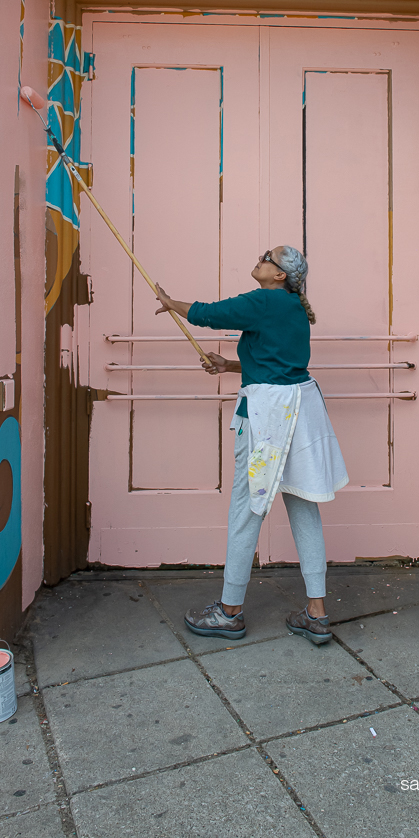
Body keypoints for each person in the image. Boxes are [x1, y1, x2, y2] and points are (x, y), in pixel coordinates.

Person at [154, 246, 348, 645]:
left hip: (266, 418)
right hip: (301, 413)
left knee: (246, 508)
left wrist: (169, 302)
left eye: (268, 258)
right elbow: (279, 360)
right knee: (303, 506)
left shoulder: (264, 300)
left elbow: (212, 313)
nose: (260, 259)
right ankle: (317, 613)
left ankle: (229, 612)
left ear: (280, 275)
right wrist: (229, 366)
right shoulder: (293, 307)